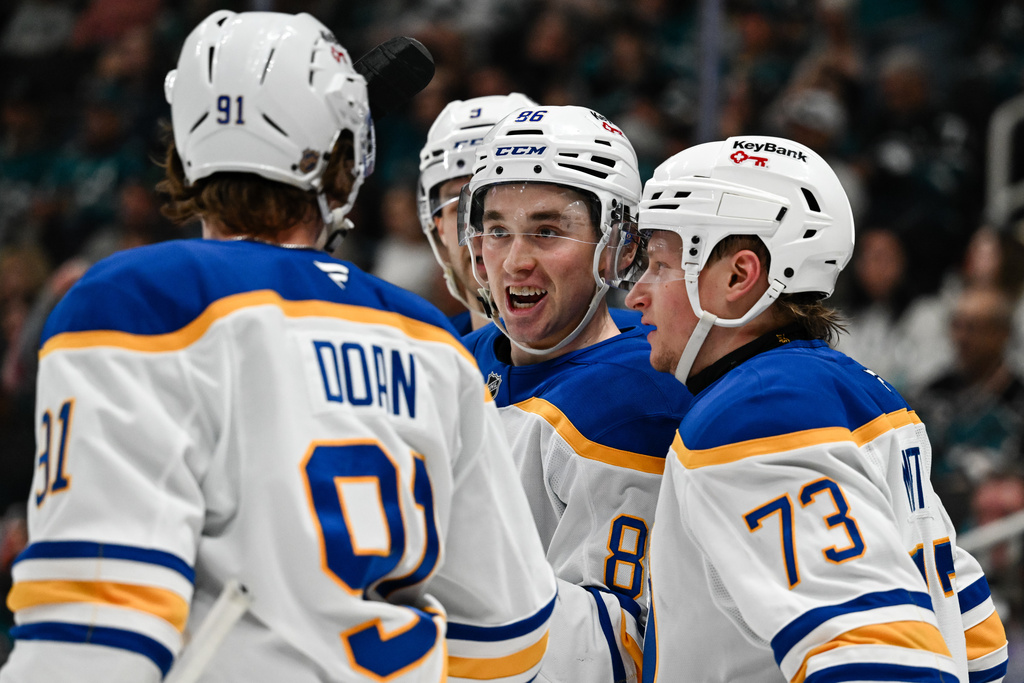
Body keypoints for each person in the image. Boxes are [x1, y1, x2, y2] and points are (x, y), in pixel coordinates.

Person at [0, 11, 556, 683]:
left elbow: (96, 628)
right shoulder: (429, 336)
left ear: (182, 147)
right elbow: (509, 638)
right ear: (348, 159)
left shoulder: (135, 301)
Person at [619, 135, 1009, 682]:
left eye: (658, 264)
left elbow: (881, 664)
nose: (637, 294)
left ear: (738, 277)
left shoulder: (750, 414)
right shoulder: (861, 391)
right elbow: (979, 643)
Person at [458, 105, 693, 682]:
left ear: (616, 247)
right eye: (497, 230)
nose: (514, 261)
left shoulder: (634, 398)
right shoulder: (463, 357)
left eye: (547, 230)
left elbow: (617, 652)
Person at [417, 92, 537, 335]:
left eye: (499, 211)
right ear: (439, 228)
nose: (478, 233)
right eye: (459, 208)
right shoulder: (426, 355)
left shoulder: (624, 349)